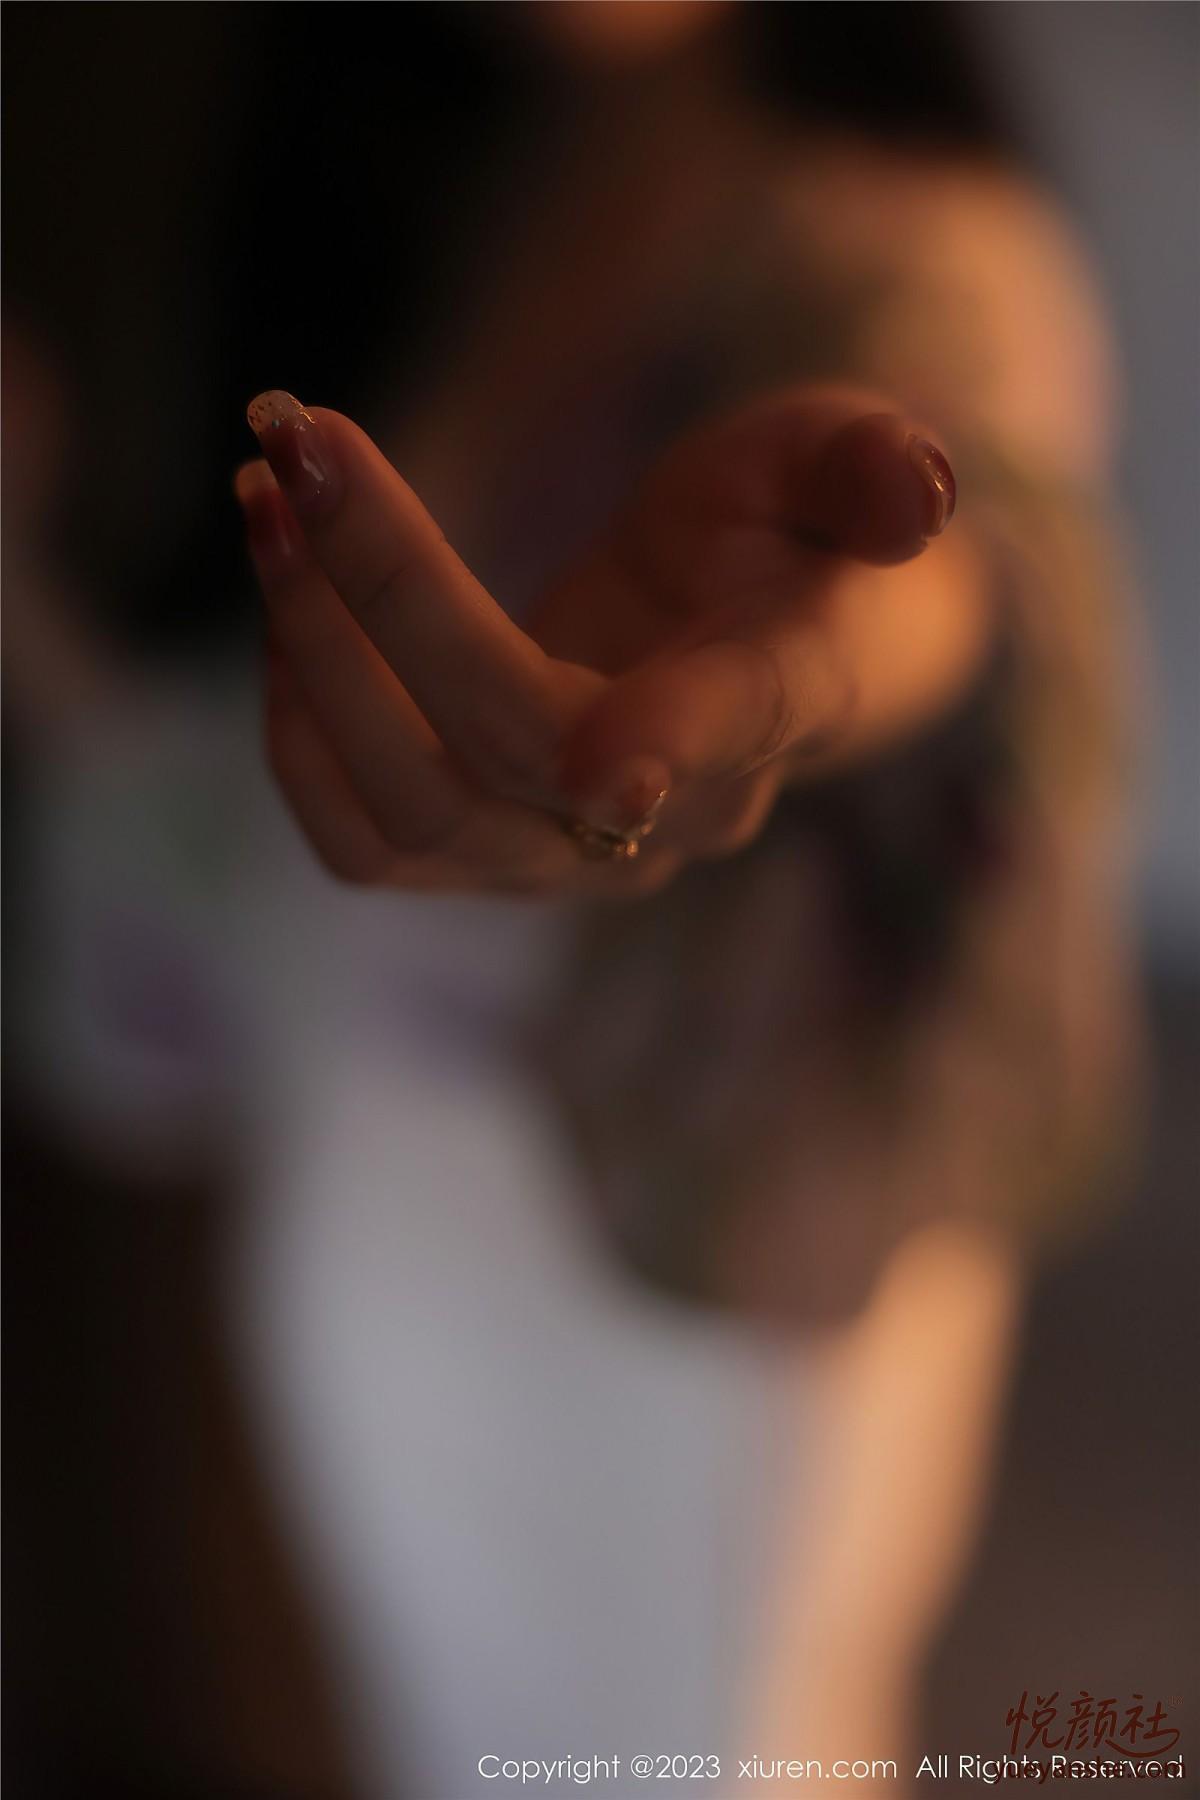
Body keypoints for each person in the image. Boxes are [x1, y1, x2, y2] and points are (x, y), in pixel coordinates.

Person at [6, 5, 1138, 1796]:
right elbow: (254, 796)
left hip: (684, 1281)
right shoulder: (488, 178)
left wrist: (806, 681)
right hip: (376, 1223)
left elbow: (954, 556)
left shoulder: (909, 234)